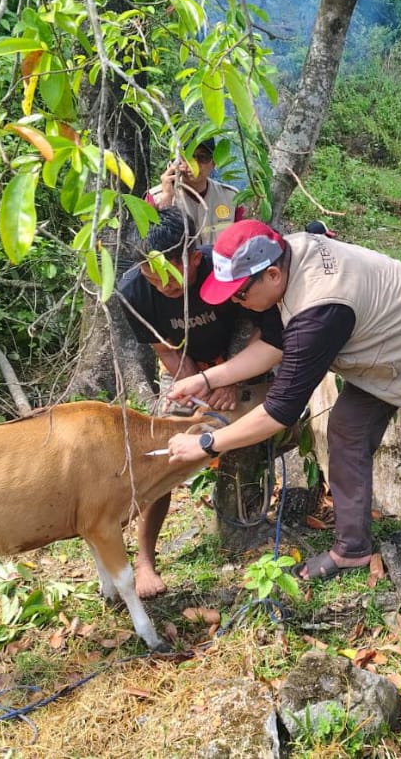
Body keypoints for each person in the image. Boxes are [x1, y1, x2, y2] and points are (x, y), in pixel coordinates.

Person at [161, 220, 401, 626]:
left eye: (242, 293)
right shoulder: (287, 255)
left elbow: (279, 412)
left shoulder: (319, 310)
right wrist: (206, 378)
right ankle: (352, 548)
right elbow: (271, 344)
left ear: (272, 274)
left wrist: (207, 443)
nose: (239, 303)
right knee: (347, 431)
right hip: (384, 348)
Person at [117, 207, 283, 597]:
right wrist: (198, 386)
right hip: (187, 372)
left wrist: (231, 376)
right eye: (150, 274)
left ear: (194, 256)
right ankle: (144, 560)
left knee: (245, 433)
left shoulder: (224, 269)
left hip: (245, 364)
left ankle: (244, 526)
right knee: (161, 455)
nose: (162, 285)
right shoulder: (133, 292)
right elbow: (166, 349)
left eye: (171, 274)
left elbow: (258, 329)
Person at [148, 137, 245, 246]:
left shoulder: (231, 197)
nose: (194, 165)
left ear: (213, 163)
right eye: (187, 157)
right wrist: (166, 197)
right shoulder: (154, 197)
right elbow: (150, 244)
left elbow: (243, 240)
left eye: (202, 157)